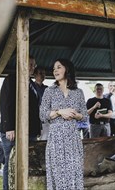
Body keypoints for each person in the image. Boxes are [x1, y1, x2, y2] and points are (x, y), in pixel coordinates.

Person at [40, 58, 88, 190]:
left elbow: (84, 116)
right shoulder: (49, 91)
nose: (55, 70)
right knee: (58, 173)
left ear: (67, 69)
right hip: (56, 138)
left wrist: (75, 115)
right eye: (54, 68)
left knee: (74, 171)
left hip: (73, 138)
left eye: (59, 67)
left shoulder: (78, 92)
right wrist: (60, 112)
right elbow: (43, 115)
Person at [0, 55, 41, 190]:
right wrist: (9, 127)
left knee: (26, 162)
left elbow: (34, 109)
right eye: (30, 64)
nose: (33, 67)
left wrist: (38, 129)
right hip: (13, 131)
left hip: (30, 131)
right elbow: (5, 104)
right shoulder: (11, 79)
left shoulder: (32, 83)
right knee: (10, 162)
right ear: (21, 63)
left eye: (34, 65)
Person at [33, 66, 49, 140]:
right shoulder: (30, 87)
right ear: (35, 75)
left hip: (45, 118)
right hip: (34, 117)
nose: (42, 75)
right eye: (40, 73)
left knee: (45, 140)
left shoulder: (47, 89)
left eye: (44, 73)